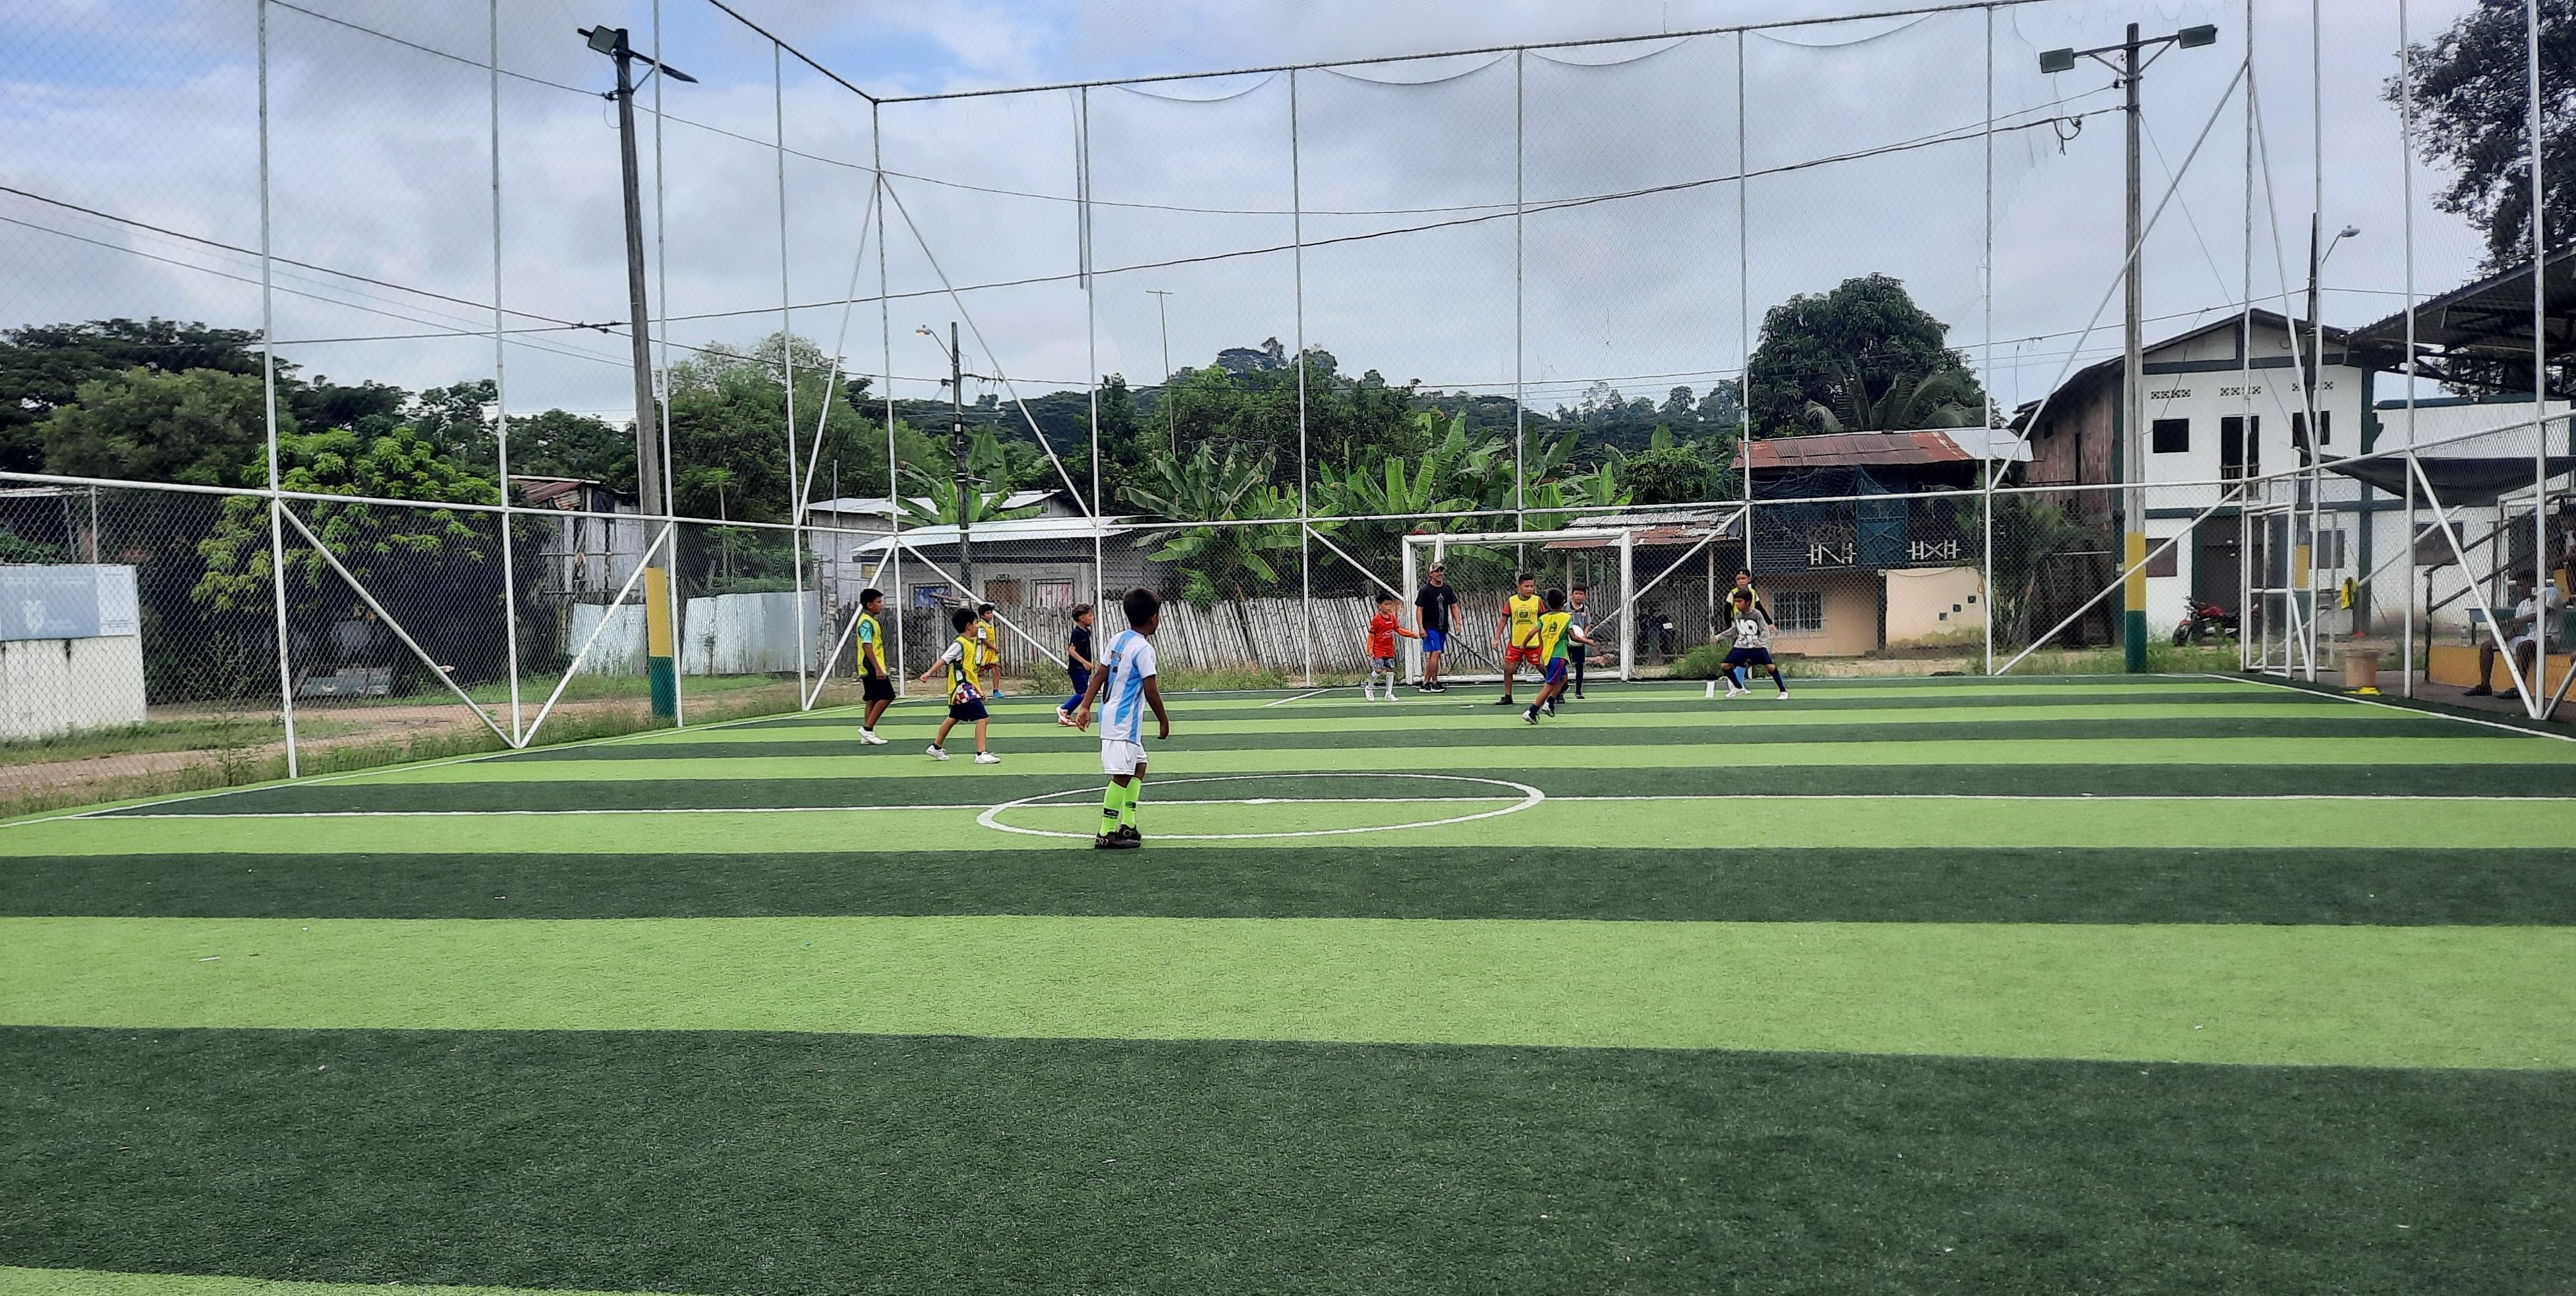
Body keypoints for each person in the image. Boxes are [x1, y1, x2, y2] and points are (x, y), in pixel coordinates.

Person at [1073, 586, 1172, 849]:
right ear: (1153, 617)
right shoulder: (1144, 649)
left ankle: (1128, 824)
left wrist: (1085, 707)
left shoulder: (1118, 639)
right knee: (1121, 775)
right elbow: (1151, 690)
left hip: (1114, 717)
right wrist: (1163, 720)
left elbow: (1100, 675)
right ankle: (1106, 832)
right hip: (1123, 723)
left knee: (1139, 765)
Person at [917, 606, 1000, 763]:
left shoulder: (969, 643)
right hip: (962, 687)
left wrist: (979, 690)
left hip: (967, 686)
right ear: (969, 626)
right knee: (983, 718)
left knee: (954, 717)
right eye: (976, 623)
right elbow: (944, 659)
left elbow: (970, 671)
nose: (978, 626)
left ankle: (936, 747)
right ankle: (981, 753)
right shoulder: (960, 644)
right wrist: (929, 673)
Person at [2468, 575, 2563, 699]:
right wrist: (2501, 637)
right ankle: (2485, 686)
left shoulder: (2550, 595)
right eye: (2518, 586)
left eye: (2522, 585)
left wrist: (2508, 621)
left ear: (2533, 584)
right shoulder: (2523, 604)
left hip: (2550, 639)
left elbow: (2538, 615)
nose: (2519, 589)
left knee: (2524, 646)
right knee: (2487, 646)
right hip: (2530, 638)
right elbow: (2515, 632)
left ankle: (2519, 688)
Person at [1521, 588, 1597, 725]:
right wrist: (1588, 641)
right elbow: (1574, 637)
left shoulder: (1544, 618)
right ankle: (1532, 711)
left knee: (1563, 678)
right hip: (1558, 656)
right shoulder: (1566, 618)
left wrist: (1523, 645)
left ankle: (1550, 703)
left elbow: (1531, 633)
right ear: (1563, 603)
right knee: (1550, 685)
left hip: (1548, 655)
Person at [1717, 590, 1789, 699]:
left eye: (1739, 601)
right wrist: (1720, 637)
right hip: (1741, 647)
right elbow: (1735, 630)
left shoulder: (1756, 614)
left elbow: (1765, 630)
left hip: (1756, 647)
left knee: (1770, 667)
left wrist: (1760, 641)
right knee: (1725, 666)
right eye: (1736, 602)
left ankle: (1783, 691)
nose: (1737, 604)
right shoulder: (1738, 615)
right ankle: (1738, 687)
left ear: (1748, 602)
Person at [1493, 571, 1545, 706]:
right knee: (1508, 669)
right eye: (1527, 586)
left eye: (1532, 586)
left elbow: (1544, 620)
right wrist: (1497, 638)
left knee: (1542, 667)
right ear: (1519, 587)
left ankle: (1556, 689)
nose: (1530, 589)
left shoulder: (1538, 601)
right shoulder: (1512, 601)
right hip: (1516, 642)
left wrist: (1545, 638)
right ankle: (1508, 696)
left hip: (1533, 642)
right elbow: (1503, 620)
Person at [1363, 592, 1421, 701]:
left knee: (1391, 670)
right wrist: (1370, 649)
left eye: (1390, 604)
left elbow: (1398, 630)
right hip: (1378, 649)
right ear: (1379, 605)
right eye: (1386, 604)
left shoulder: (1392, 618)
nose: (1389, 607)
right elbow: (1371, 635)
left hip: (1389, 648)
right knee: (1378, 670)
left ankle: (1389, 694)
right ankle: (1369, 688)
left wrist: (1412, 635)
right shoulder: (1377, 619)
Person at [855, 587, 894, 745]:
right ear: (870, 605)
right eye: (879, 602)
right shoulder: (866, 623)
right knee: (888, 696)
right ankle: (867, 729)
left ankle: (867, 735)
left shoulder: (871, 621)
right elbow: (867, 645)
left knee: (872, 698)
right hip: (870, 666)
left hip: (871, 665)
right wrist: (878, 668)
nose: (882, 605)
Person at [1413, 563, 1460, 692]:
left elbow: (1454, 606)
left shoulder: (1447, 589)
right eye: (1437, 571)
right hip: (1429, 627)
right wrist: (1421, 628)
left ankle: (1426, 683)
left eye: (1441, 571)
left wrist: (1458, 623)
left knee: (1434, 654)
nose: (1440, 573)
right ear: (1431, 574)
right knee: (1437, 652)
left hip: (1442, 627)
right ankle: (1435, 682)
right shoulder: (1425, 591)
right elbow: (1419, 609)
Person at [1056, 603, 1097, 727]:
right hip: (1077, 668)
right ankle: (1064, 709)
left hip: (1084, 669)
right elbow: (1071, 650)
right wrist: (1084, 662)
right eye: (1090, 616)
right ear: (1082, 618)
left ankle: (1066, 714)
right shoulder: (1077, 632)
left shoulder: (1087, 632)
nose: (1092, 618)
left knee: (1084, 692)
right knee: (1084, 693)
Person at [1564, 584, 1596, 700]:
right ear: (1572, 595)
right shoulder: (1566, 608)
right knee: (1563, 665)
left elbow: (1588, 624)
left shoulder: (1585, 609)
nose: (1578, 596)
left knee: (1579, 666)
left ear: (1585, 596)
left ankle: (1578, 691)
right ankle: (1562, 690)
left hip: (1580, 642)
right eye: (1576, 594)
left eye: (1581, 594)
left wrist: (1584, 635)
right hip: (1567, 641)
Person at [975, 602, 1004, 698]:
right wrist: (995, 648)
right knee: (978, 672)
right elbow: (984, 640)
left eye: (991, 613)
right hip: (982, 653)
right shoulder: (981, 625)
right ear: (982, 615)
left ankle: (996, 691)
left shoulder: (991, 624)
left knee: (996, 668)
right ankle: (975, 690)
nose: (990, 615)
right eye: (988, 613)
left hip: (991, 653)